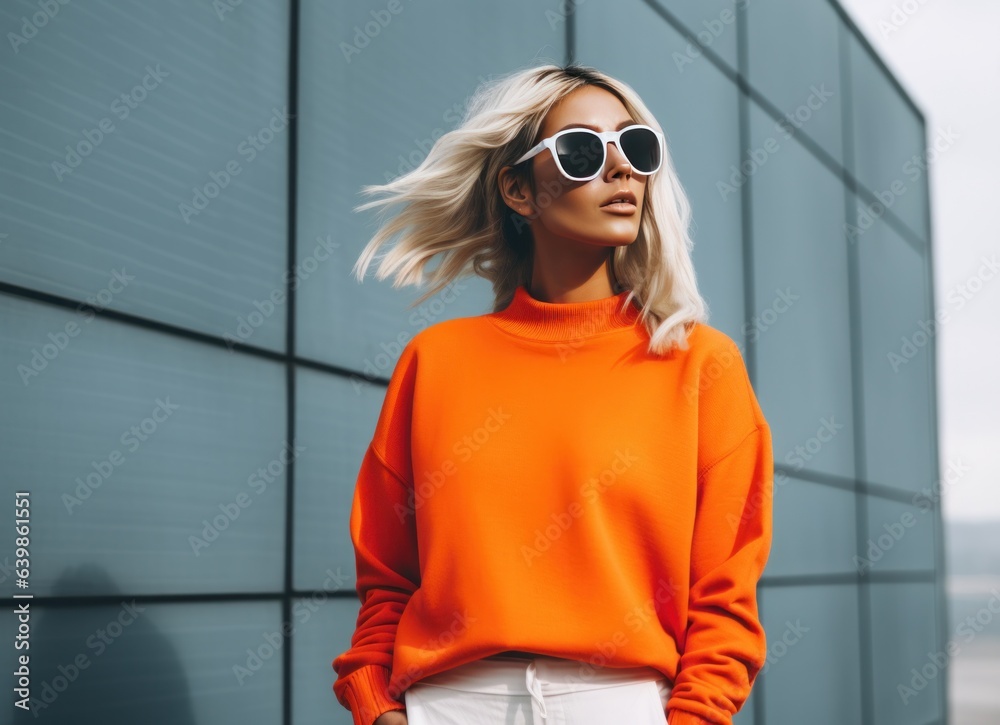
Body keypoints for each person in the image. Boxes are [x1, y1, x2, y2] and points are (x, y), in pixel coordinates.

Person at [331, 62, 774, 725]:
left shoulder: (701, 367)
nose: (621, 170)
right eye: (583, 150)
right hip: (447, 704)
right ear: (518, 189)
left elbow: (724, 603)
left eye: (637, 147)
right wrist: (378, 708)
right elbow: (387, 579)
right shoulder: (436, 360)